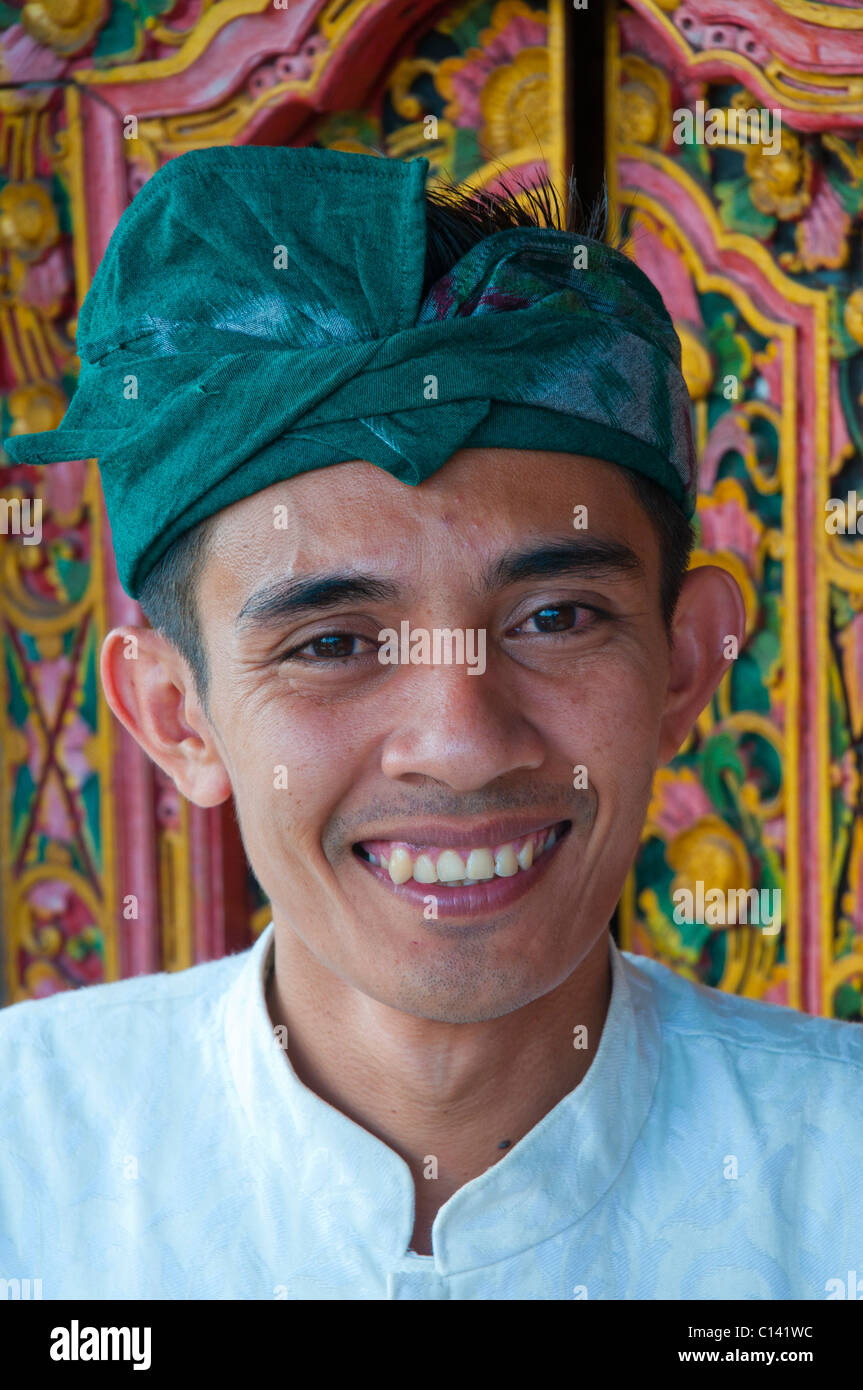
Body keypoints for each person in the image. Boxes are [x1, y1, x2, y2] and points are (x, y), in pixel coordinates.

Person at [1, 145, 860, 1301]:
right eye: (333, 643)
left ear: (684, 661)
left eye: (554, 616)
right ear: (177, 715)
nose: (460, 742)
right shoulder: (29, 1175)